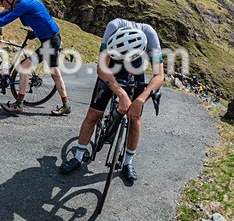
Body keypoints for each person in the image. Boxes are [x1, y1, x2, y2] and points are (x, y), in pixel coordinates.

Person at [60, 18, 164, 182]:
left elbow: (159, 75)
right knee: (93, 115)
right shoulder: (113, 27)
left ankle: (128, 162)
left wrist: (140, 100)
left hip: (135, 69)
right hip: (111, 68)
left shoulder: (150, 34)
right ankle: (78, 156)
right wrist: (121, 94)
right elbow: (102, 68)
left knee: (135, 118)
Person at [0, 0, 70, 115]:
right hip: (49, 37)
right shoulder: (19, 3)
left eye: (2, 1)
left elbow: (3, 21)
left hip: (51, 41)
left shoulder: (23, 5)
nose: (1, 4)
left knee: (24, 67)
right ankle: (66, 105)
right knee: (55, 73)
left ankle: (19, 104)